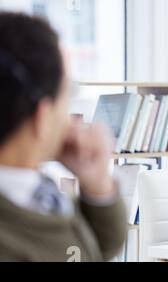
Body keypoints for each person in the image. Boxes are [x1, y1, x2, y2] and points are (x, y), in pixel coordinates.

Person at [0, 12, 126, 262]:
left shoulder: (34, 189)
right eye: (67, 91)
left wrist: (96, 183)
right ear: (43, 116)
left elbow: (91, 249)